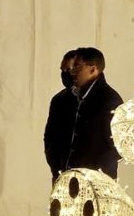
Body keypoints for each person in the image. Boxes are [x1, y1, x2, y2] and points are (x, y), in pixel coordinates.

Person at [64, 47, 124, 179]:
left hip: (96, 182)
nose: (72, 71)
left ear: (93, 69)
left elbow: (118, 146)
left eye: (77, 67)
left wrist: (96, 175)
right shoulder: (72, 97)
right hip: (71, 177)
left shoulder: (110, 100)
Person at [44, 50, 79, 183]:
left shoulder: (103, 98)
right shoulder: (59, 100)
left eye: (68, 70)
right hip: (62, 174)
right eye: (62, 70)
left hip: (92, 175)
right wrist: (55, 168)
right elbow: (50, 138)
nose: (65, 74)